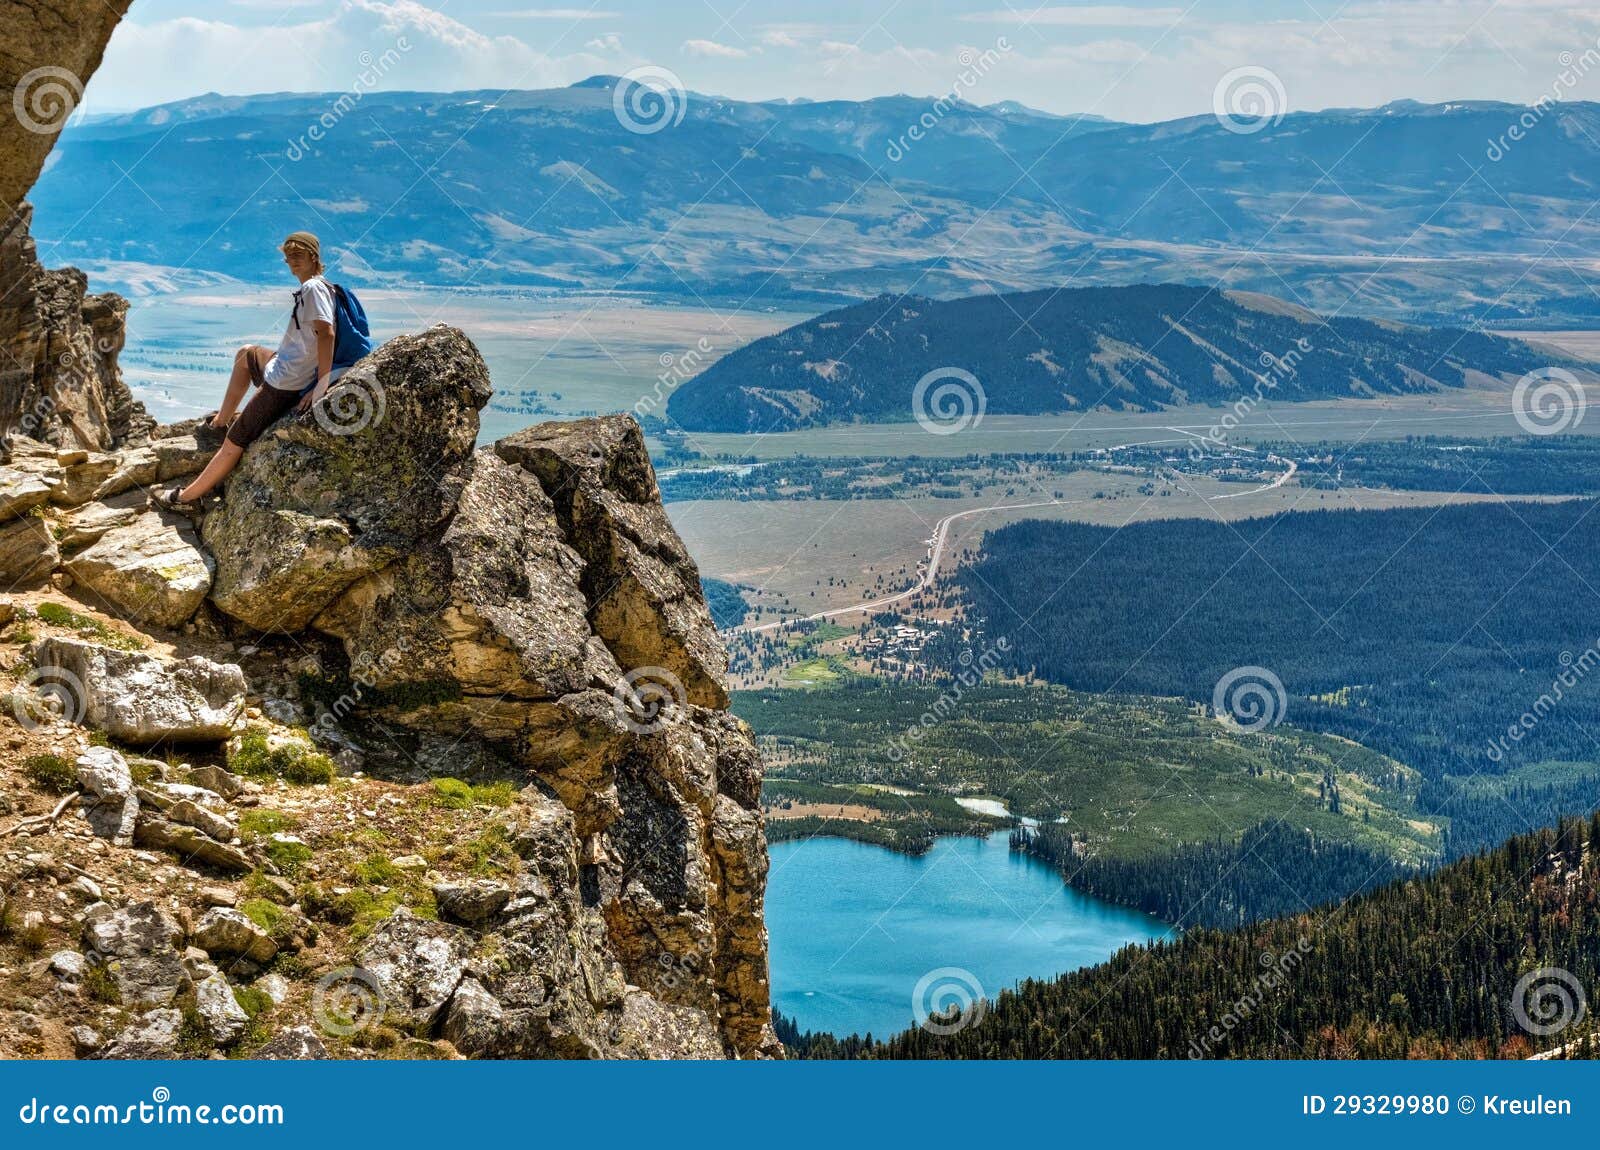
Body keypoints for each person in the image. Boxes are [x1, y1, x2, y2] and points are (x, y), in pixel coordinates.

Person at [151, 231, 345, 512]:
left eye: (298, 255)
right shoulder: (322, 287)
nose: (292, 262)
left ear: (314, 256)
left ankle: (185, 499)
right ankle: (220, 423)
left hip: (285, 383)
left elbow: (325, 334)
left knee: (236, 441)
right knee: (246, 354)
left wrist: (322, 384)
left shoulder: (314, 289)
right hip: (284, 366)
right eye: (288, 257)